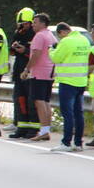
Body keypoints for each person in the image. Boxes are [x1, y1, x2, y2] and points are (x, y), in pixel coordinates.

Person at [49, 22, 90, 152]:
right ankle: (78, 143)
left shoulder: (66, 41)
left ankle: (66, 142)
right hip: (81, 81)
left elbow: (56, 58)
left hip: (68, 81)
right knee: (79, 113)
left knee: (67, 113)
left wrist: (51, 49)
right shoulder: (84, 40)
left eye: (59, 36)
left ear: (61, 32)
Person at [23, 13, 56, 141]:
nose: (32, 25)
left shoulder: (39, 36)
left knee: (39, 101)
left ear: (42, 23)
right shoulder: (51, 35)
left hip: (40, 72)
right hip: (50, 72)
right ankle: (46, 129)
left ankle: (43, 130)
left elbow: (35, 55)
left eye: (35, 22)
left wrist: (27, 69)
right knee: (46, 101)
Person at [9, 7, 40, 138]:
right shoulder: (19, 33)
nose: (23, 26)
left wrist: (25, 51)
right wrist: (14, 48)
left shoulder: (35, 35)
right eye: (21, 23)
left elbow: (37, 54)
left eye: (25, 23)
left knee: (30, 102)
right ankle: (21, 128)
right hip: (19, 71)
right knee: (19, 99)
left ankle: (33, 129)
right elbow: (11, 51)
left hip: (31, 71)